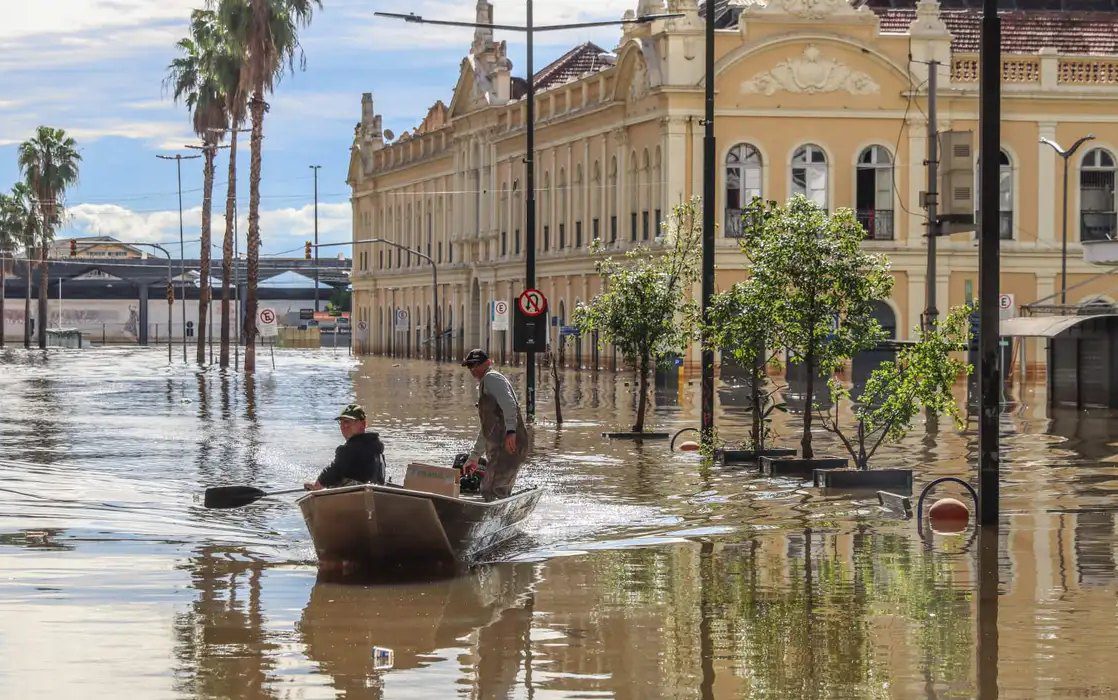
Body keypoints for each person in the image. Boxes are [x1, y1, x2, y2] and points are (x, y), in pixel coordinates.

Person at [462, 349, 530, 501]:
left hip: (508, 446)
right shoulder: (486, 383)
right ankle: (501, 515)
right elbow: (487, 429)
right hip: (500, 448)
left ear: (488, 363)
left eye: (476, 365)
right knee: (493, 488)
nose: (473, 370)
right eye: (470, 366)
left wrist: (511, 432)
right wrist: (474, 457)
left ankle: (494, 520)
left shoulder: (492, 378)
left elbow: (510, 405)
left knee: (492, 489)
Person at [303, 404, 386, 491]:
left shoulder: (350, 449)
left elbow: (334, 470)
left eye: (349, 421)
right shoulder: (376, 448)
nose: (344, 426)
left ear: (363, 424)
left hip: (356, 496)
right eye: (342, 422)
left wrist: (317, 485)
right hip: (376, 493)